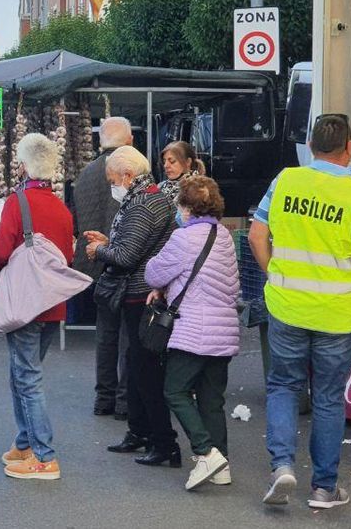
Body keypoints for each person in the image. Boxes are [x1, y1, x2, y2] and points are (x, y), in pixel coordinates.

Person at [248, 113, 351, 509]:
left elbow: (258, 234)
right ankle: (324, 488)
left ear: (310, 144)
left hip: (287, 305)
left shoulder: (286, 180)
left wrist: (275, 272)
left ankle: (283, 467)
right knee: (327, 397)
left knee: (284, 387)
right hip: (338, 313)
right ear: (349, 147)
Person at [0, 133, 74, 481]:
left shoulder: (17, 202)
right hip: (52, 304)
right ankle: (23, 443)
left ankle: (45, 456)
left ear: (22, 165)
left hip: (24, 303)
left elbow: (1, 252)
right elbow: (66, 256)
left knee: (27, 378)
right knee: (22, 373)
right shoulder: (62, 208)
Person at [85, 145, 178, 467]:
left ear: (128, 175)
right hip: (143, 292)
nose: (113, 185)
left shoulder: (142, 205)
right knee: (138, 367)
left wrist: (100, 250)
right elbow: (133, 245)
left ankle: (163, 442)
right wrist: (110, 243)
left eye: (113, 179)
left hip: (140, 295)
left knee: (144, 370)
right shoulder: (155, 198)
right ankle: (140, 432)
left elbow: (127, 257)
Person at [145, 176, 241, 490]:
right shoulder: (223, 236)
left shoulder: (183, 238)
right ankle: (222, 465)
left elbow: (154, 272)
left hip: (192, 331)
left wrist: (163, 287)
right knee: (212, 400)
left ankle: (205, 451)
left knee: (175, 390)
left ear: (186, 208)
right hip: (223, 332)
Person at [74, 116, 133, 419]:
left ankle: (104, 398)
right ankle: (123, 402)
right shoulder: (128, 171)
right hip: (123, 262)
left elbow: (78, 220)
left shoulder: (85, 173)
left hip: (93, 264)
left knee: (105, 333)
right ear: (130, 141)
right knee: (126, 335)